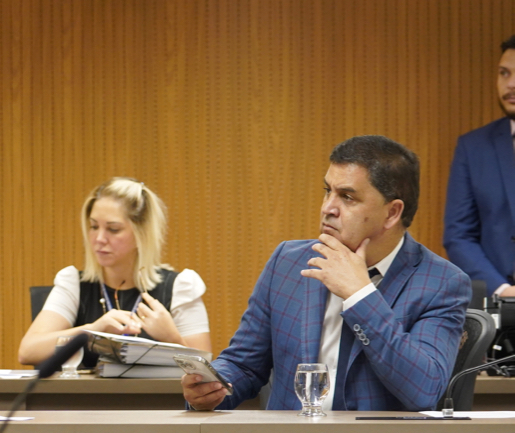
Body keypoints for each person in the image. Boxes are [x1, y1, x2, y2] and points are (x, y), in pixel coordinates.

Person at [183, 135, 469, 415]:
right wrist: (211, 387)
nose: (327, 208)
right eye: (327, 191)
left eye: (347, 197)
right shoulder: (288, 262)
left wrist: (360, 296)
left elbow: (424, 390)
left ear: (392, 213)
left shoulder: (441, 283)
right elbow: (244, 365)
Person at [18, 178, 211, 368]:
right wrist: (92, 331)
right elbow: (27, 351)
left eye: (113, 229)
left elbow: (204, 375)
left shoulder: (180, 287)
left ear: (142, 233)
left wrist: (172, 339)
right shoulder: (74, 284)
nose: (99, 238)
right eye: (94, 227)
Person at [443, 35, 515, 299]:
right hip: (501, 304)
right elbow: (458, 235)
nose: (510, 84)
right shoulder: (473, 147)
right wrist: (504, 291)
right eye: (504, 73)